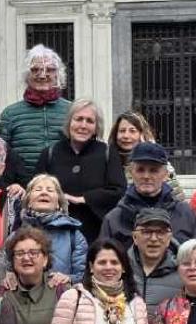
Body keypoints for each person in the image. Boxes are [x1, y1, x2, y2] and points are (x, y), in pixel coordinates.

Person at [32, 100, 126, 240]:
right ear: (69, 122)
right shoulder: (50, 153)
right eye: (78, 119)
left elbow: (118, 189)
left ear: (96, 127)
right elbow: (35, 190)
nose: (83, 125)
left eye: (89, 121)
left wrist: (83, 199)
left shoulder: (107, 153)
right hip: (55, 232)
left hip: (97, 232)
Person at [99, 142, 196, 248]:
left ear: (166, 175)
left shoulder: (185, 213)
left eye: (153, 170)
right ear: (131, 173)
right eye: (140, 170)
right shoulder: (114, 219)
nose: (146, 176)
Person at [0, 45, 73, 171]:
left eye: (50, 69)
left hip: (64, 183)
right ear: (26, 75)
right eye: (35, 70)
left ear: (58, 75)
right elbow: (0, 154)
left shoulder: (72, 111)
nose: (42, 75)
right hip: (22, 186)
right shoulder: (10, 114)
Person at [11, 173, 86, 286]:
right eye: (38, 189)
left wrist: (68, 279)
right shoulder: (15, 236)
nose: (44, 192)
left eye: (50, 190)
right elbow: (6, 272)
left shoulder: (74, 236)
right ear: (29, 202)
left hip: (60, 298)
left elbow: (82, 276)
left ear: (58, 204)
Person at [110, 111, 183, 200]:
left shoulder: (160, 163)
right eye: (122, 131)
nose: (126, 135)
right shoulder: (107, 161)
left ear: (142, 134)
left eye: (132, 131)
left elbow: (177, 198)